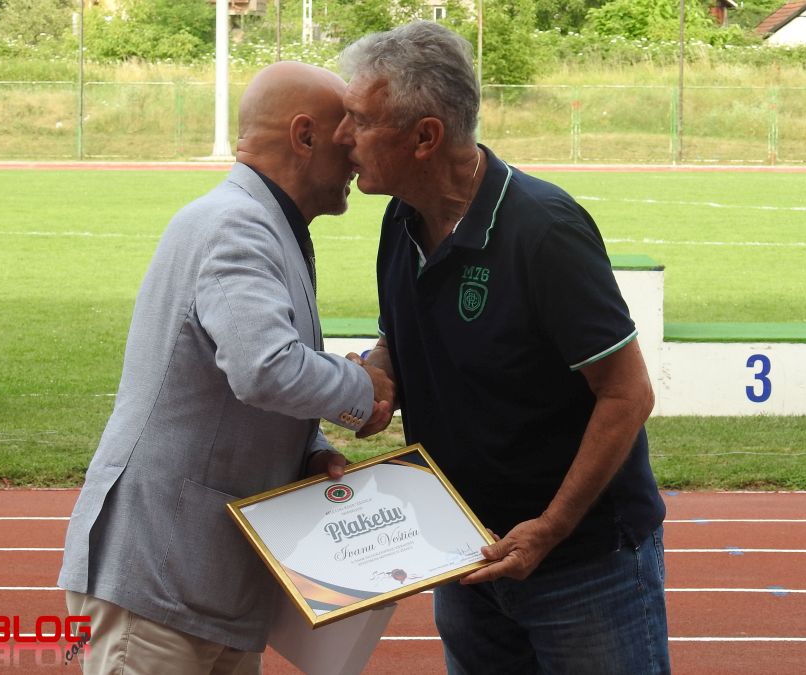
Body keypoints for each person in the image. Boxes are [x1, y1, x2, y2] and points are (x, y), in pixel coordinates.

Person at [335, 21, 670, 674]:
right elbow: (404, 333)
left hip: (581, 566)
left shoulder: (543, 230)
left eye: (361, 120)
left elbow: (627, 394)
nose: (343, 136)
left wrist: (551, 526)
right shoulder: (401, 218)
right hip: (466, 556)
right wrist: (378, 374)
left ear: (425, 137)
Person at [57, 61, 394, 675]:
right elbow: (264, 368)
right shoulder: (237, 224)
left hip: (204, 579)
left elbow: (232, 387)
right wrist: (361, 389)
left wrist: (309, 449)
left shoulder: (261, 222)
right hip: (163, 577)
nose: (356, 155)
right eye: (346, 136)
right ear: (304, 136)